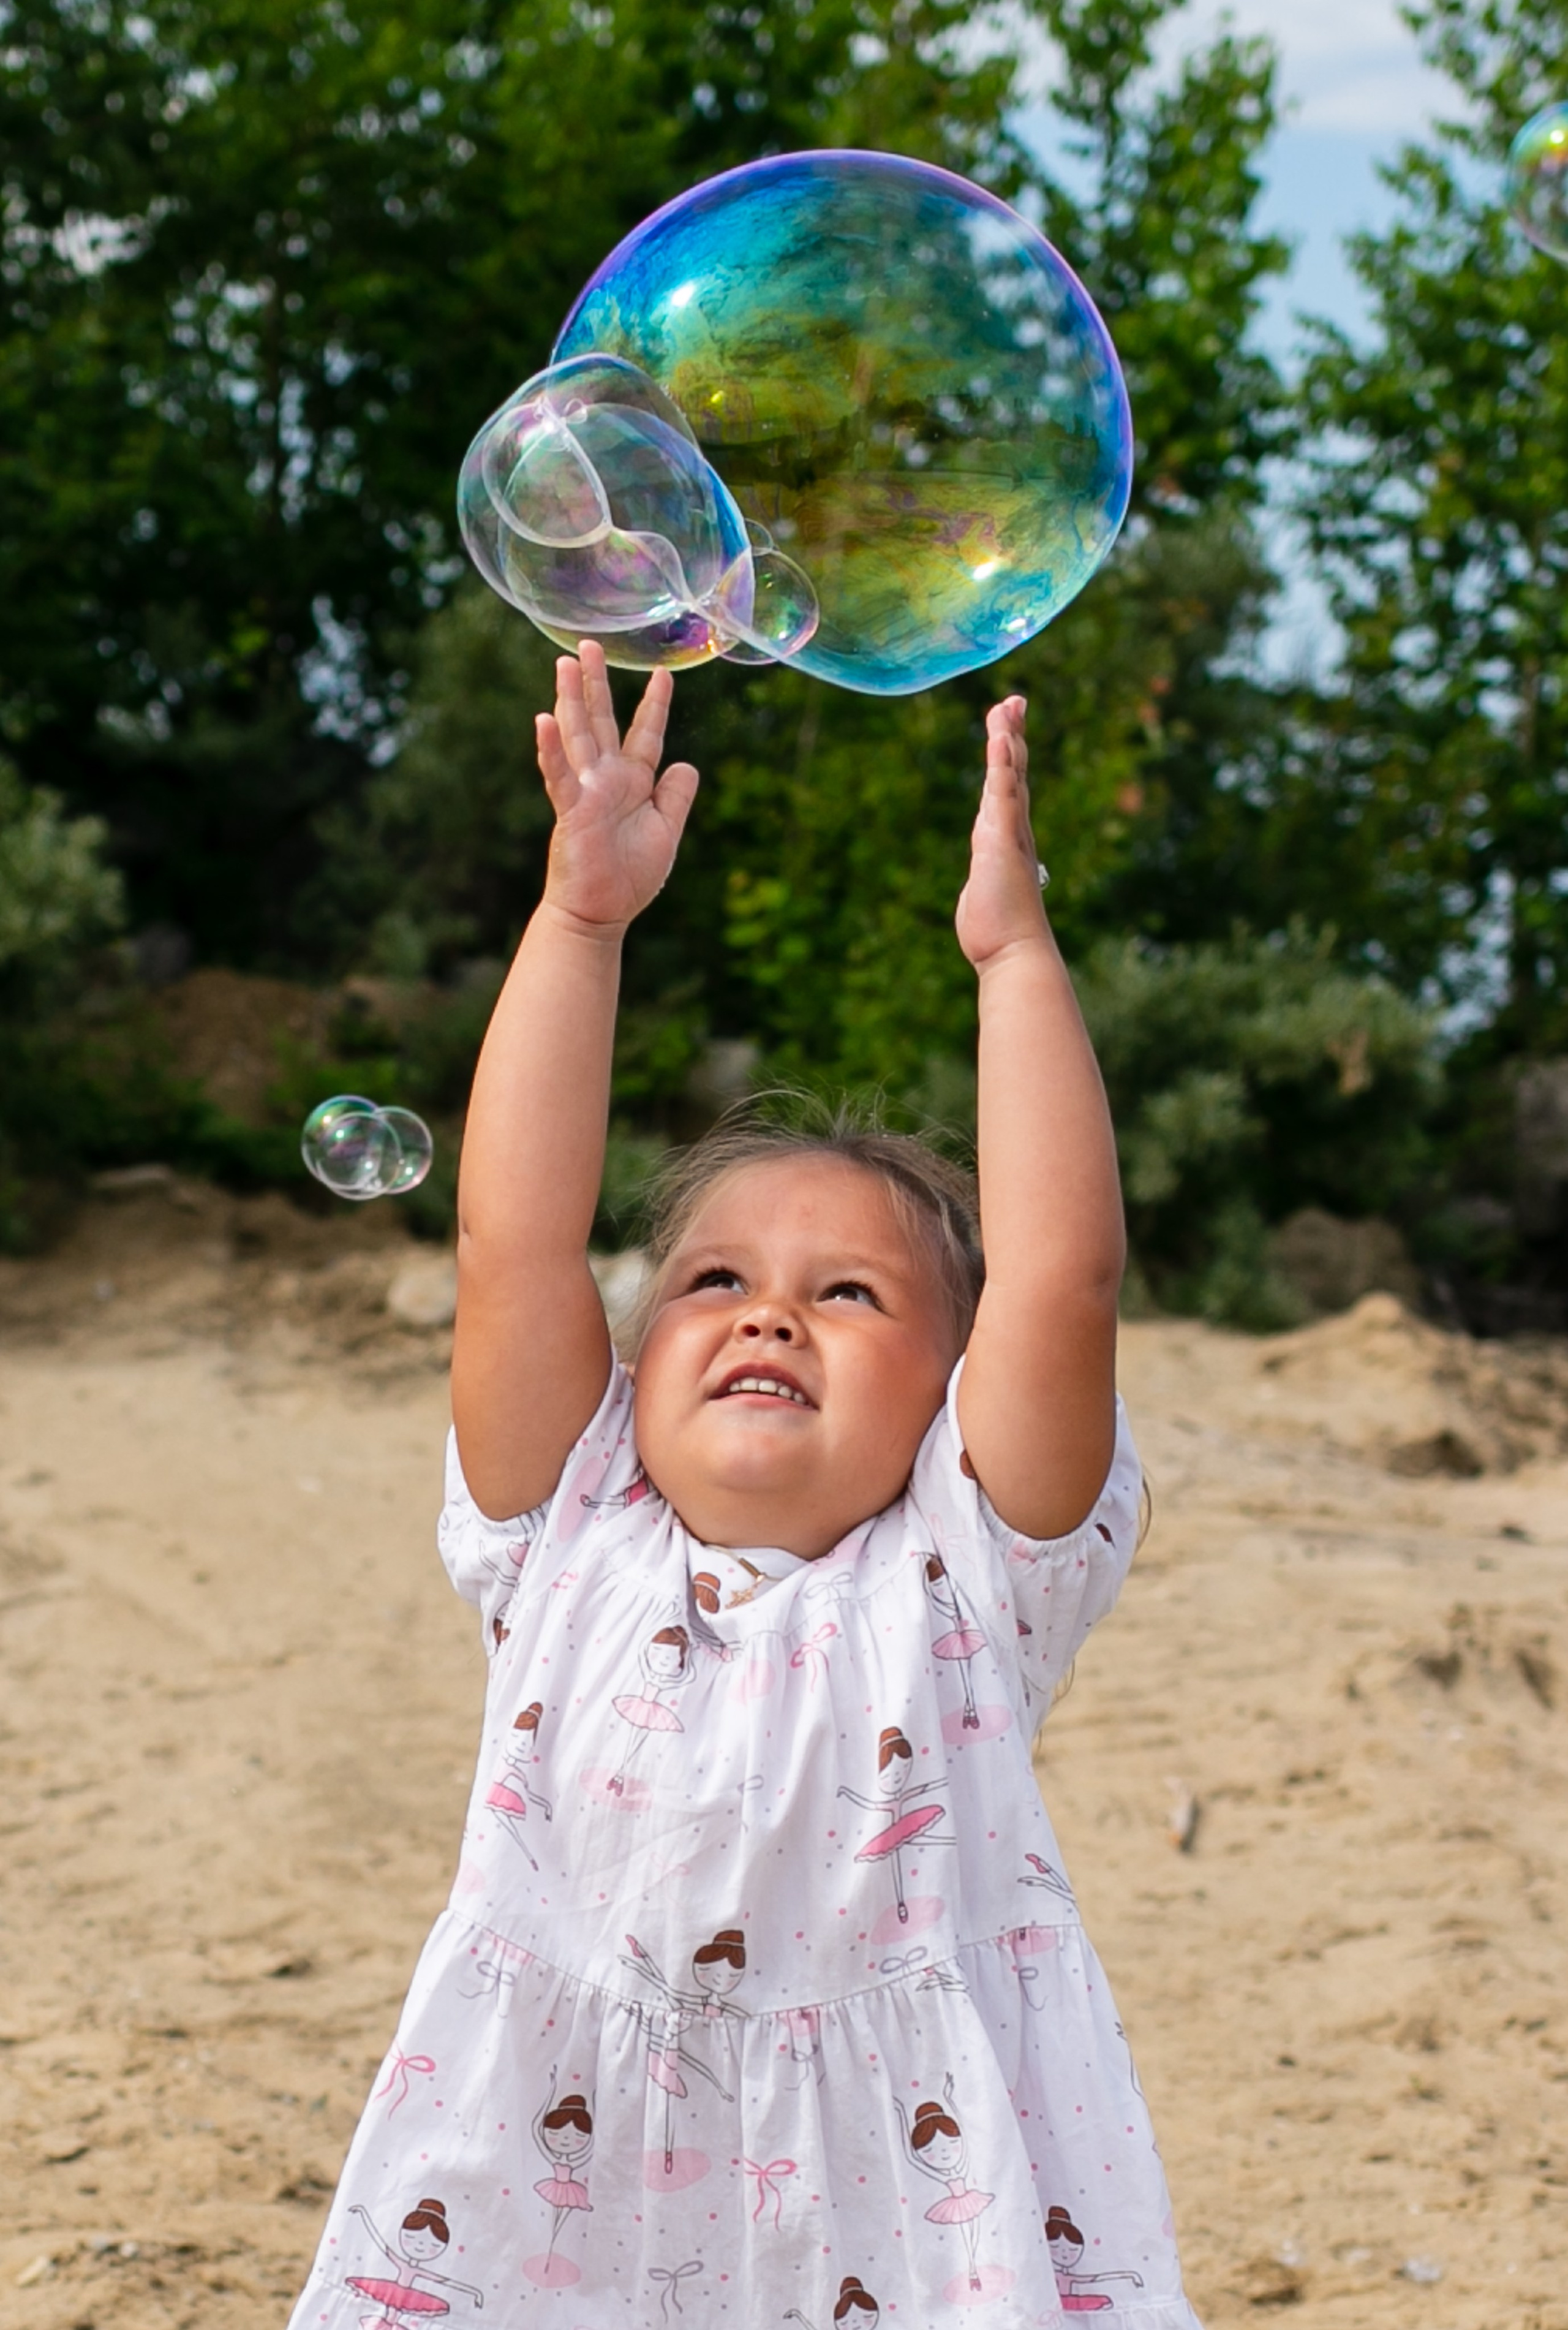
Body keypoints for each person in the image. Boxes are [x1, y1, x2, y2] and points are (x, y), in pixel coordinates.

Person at [289, 641, 1200, 2328]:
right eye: (713, 1280)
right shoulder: (567, 1520)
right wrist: (580, 922)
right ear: (636, 1359)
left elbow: (1063, 1278)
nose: (772, 1307)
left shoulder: (966, 1562)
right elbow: (514, 1238)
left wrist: (1013, 959)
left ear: (955, 1391)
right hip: (548, 2179)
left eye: (850, 1293)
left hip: (904, 2205)